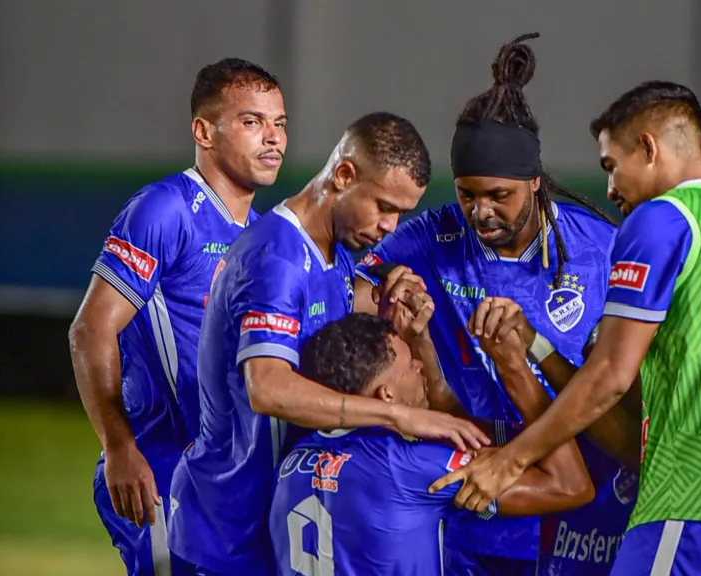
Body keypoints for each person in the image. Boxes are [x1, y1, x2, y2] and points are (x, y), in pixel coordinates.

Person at [432, 80, 701, 575]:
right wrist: (538, 345)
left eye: (611, 166)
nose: (609, 190)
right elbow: (642, 417)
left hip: (692, 506)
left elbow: (610, 375)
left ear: (648, 147)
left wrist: (511, 461)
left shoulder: (663, 221)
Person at [167, 112, 490, 576]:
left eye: (401, 213)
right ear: (343, 175)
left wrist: (389, 316)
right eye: (383, 206)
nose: (390, 227)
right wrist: (398, 413)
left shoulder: (334, 257)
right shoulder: (275, 258)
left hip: (269, 525)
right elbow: (268, 388)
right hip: (224, 532)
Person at [353, 33, 625, 575]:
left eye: (498, 195)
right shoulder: (432, 237)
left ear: (534, 181)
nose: (480, 213)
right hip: (470, 500)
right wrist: (386, 297)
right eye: (466, 194)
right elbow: (349, 288)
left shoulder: (600, 247)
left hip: (581, 498)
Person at [68, 57, 286, 576]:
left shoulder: (261, 235)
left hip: (227, 482)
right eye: (252, 122)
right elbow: (91, 327)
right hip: (161, 470)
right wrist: (118, 445)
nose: (272, 139)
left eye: (280, 123)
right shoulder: (165, 210)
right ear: (203, 131)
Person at [270, 312, 595, 575]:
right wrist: (515, 369)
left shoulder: (291, 461)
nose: (419, 366)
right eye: (410, 364)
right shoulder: (412, 466)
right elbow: (571, 486)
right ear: (387, 396)